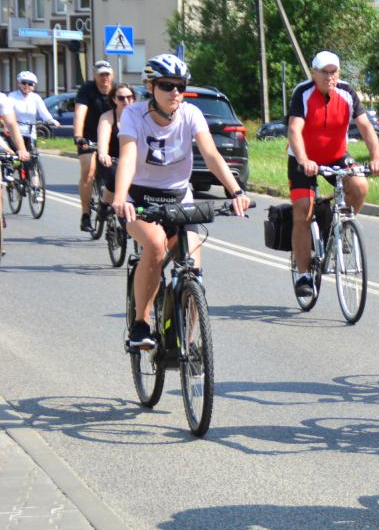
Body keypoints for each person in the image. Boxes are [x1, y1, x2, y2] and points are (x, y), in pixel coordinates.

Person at [112, 54, 250, 350]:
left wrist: (236, 192)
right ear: (151, 86)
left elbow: (211, 155)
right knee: (155, 245)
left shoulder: (191, 114)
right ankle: (141, 323)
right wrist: (121, 198)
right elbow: (128, 157)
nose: (175, 91)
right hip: (140, 199)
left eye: (180, 86)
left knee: (193, 272)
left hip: (179, 199)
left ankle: (187, 344)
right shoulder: (134, 115)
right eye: (167, 85)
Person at [287, 51, 379, 299]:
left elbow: (366, 127)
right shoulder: (303, 92)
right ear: (314, 73)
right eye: (324, 72)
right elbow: (295, 130)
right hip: (303, 159)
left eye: (333, 72)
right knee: (303, 211)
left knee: (360, 186)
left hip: (336, 156)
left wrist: (376, 157)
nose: (329, 77)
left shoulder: (347, 92)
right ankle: (304, 275)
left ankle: (338, 227)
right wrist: (303, 160)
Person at [73, 60, 116, 232]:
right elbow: (79, 114)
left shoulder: (117, 91)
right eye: (101, 74)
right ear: (94, 76)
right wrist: (78, 136)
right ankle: (85, 215)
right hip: (89, 137)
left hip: (112, 137)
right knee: (88, 172)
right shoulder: (87, 90)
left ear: (112, 75)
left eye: (107, 74)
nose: (104, 78)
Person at [94, 82, 138, 208]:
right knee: (115, 176)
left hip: (134, 160)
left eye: (129, 97)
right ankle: (104, 206)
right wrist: (103, 154)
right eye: (121, 98)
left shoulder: (140, 117)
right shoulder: (108, 117)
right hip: (112, 160)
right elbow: (103, 137)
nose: (126, 101)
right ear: (114, 99)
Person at [7, 71, 61, 143]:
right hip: (15, 133)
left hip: (31, 134)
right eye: (24, 83)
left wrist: (51, 120)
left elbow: (43, 112)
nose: (27, 86)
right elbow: (7, 112)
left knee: (32, 149)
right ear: (19, 84)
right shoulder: (12, 96)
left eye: (30, 84)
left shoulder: (36, 97)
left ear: (34, 86)